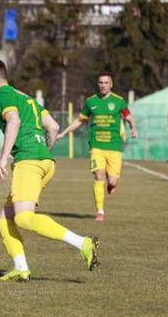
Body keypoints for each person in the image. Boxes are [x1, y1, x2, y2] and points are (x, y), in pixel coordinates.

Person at [0, 58, 98, 283]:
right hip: (45, 162)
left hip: (29, 162)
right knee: (4, 221)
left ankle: (83, 243)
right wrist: (44, 149)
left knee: (23, 218)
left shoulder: (1, 95)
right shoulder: (26, 98)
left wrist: (3, 159)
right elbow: (53, 127)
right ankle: (21, 268)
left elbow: (13, 122)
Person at [57, 72, 137, 221]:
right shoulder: (90, 102)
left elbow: (129, 117)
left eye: (106, 83)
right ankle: (100, 211)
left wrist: (133, 128)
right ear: (98, 84)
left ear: (111, 84)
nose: (103, 85)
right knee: (98, 175)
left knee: (112, 181)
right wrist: (64, 133)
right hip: (96, 146)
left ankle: (111, 185)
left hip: (114, 147)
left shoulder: (119, 101)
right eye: (100, 82)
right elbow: (79, 120)